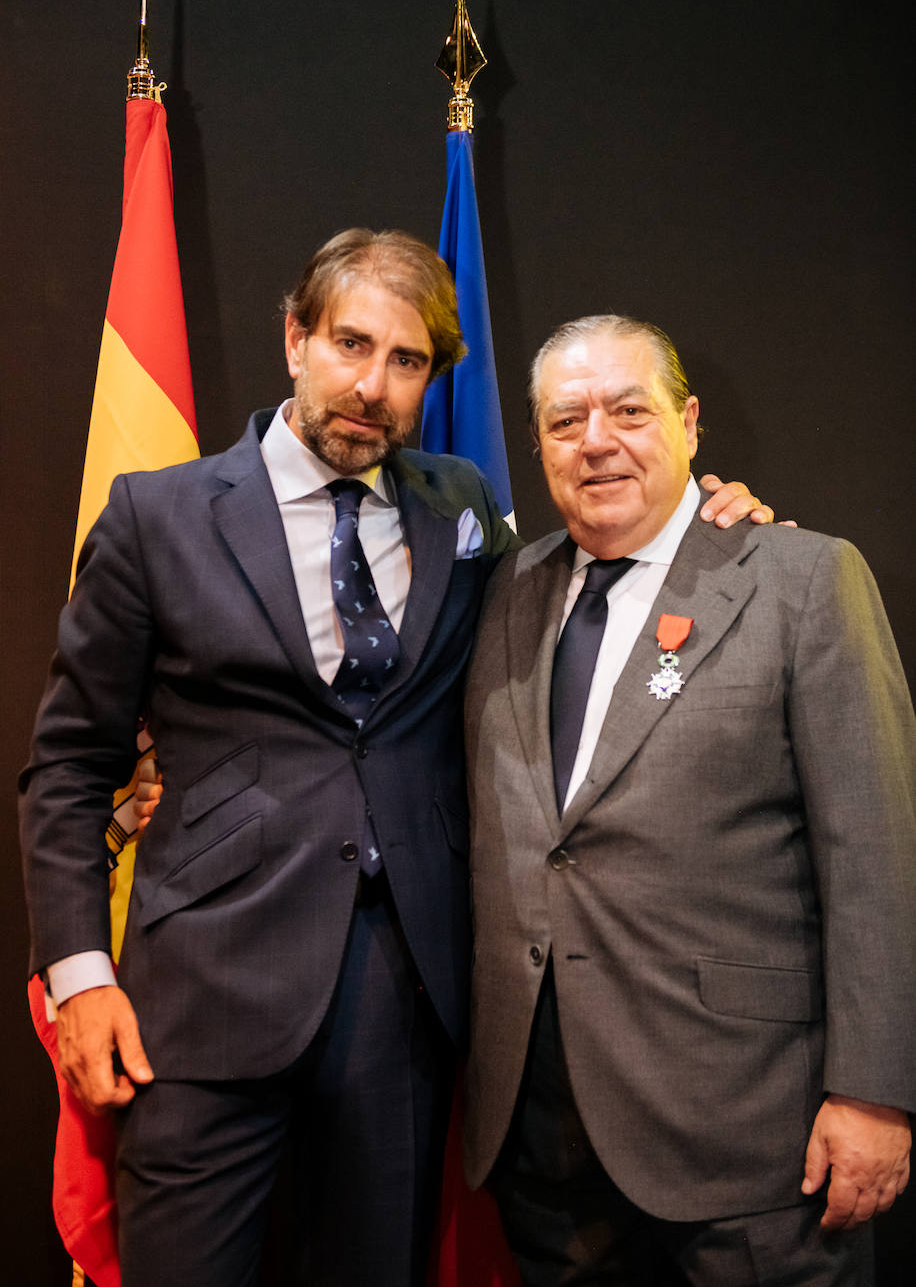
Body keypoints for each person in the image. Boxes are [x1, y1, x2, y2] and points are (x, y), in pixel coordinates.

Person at [20, 234, 768, 1287]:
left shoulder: (460, 508)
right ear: (296, 339)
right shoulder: (159, 515)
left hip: (407, 1005)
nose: (372, 386)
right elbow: (66, 768)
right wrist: (78, 977)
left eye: (407, 361)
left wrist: (703, 520)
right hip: (198, 1003)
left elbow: (592, 569)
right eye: (350, 344)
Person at [462, 314, 915, 1286]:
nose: (596, 441)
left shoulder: (800, 579)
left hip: (750, 1140)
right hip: (544, 1142)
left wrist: (875, 1095)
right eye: (564, 420)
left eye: (628, 411)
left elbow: (874, 856)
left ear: (689, 422)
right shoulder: (505, 591)